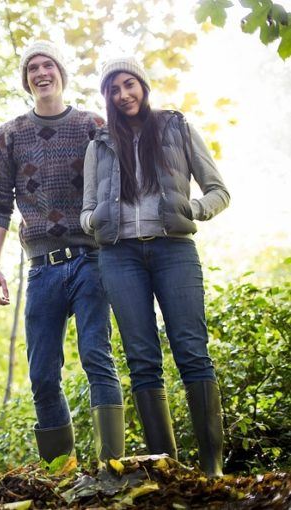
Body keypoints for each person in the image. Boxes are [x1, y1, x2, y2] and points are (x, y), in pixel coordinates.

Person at [80, 57, 230, 476]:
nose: (124, 94)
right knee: (142, 359)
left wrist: (194, 208)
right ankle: (168, 469)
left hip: (174, 251)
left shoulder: (176, 128)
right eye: (114, 89)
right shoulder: (99, 143)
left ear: (143, 86)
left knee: (192, 352)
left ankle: (212, 467)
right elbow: (86, 209)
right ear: (107, 97)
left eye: (130, 84)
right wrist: (93, 222)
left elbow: (219, 190)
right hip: (119, 256)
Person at [0, 40, 124, 465]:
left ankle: (110, 466)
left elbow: (117, 185)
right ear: (27, 81)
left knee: (95, 356)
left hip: (90, 260)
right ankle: (61, 474)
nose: (41, 73)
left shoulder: (91, 125)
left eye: (48, 66)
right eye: (33, 69)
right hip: (42, 269)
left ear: (61, 74)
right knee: (42, 374)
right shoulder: (9, 135)